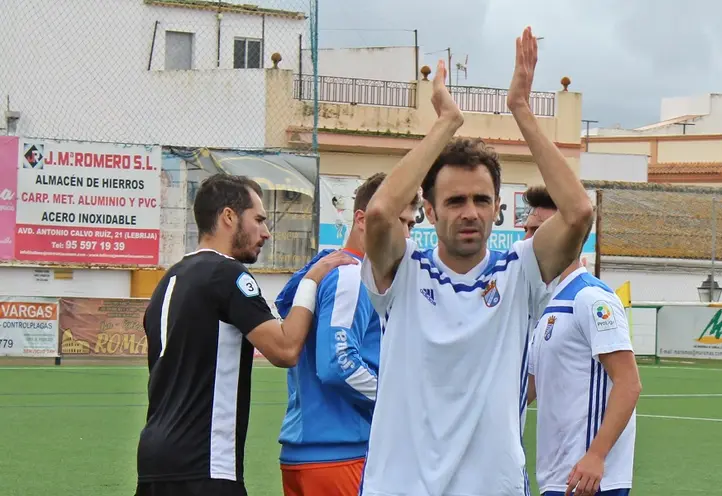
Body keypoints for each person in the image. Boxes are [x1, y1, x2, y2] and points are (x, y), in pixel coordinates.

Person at [358, 27, 595, 496]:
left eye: (482, 200)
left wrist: (521, 109)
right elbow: (381, 213)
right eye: (455, 201)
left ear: (497, 209)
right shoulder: (403, 269)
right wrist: (446, 124)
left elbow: (579, 213)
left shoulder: (520, 271)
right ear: (429, 212)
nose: (470, 212)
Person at [135, 173, 356, 496]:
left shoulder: (170, 279)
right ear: (229, 216)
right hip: (204, 463)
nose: (266, 232)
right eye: (259, 220)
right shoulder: (226, 273)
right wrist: (312, 280)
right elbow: (285, 349)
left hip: (154, 462)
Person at [272, 173, 420, 496]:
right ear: (362, 220)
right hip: (339, 454)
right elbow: (337, 364)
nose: (406, 235)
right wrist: (395, 400)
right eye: (399, 221)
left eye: (411, 224)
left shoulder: (325, 269)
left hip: (308, 452)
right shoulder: (352, 275)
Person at [522, 185, 641, 496]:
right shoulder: (546, 301)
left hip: (589, 479)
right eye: (526, 229)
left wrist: (596, 456)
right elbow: (528, 387)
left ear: (568, 234)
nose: (527, 239)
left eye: (536, 230)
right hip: (556, 475)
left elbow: (628, 382)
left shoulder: (592, 298)